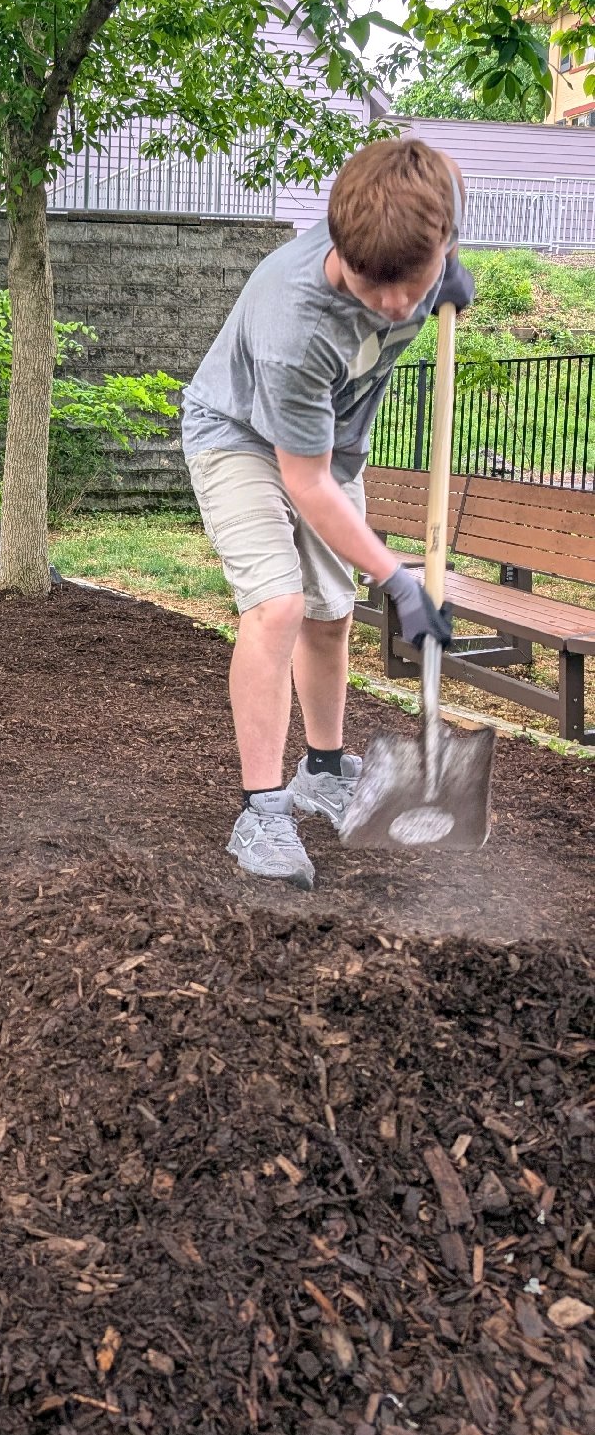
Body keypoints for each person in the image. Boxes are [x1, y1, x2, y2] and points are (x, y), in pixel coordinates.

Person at [181, 137, 474, 889]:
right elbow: (302, 483)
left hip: (333, 449)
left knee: (331, 611)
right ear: (339, 247)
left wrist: (443, 278)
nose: (396, 305)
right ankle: (264, 808)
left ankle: (320, 770)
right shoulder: (296, 322)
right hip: (240, 435)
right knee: (278, 606)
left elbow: (423, 246)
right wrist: (399, 578)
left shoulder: (419, 240)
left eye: (413, 282)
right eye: (375, 287)